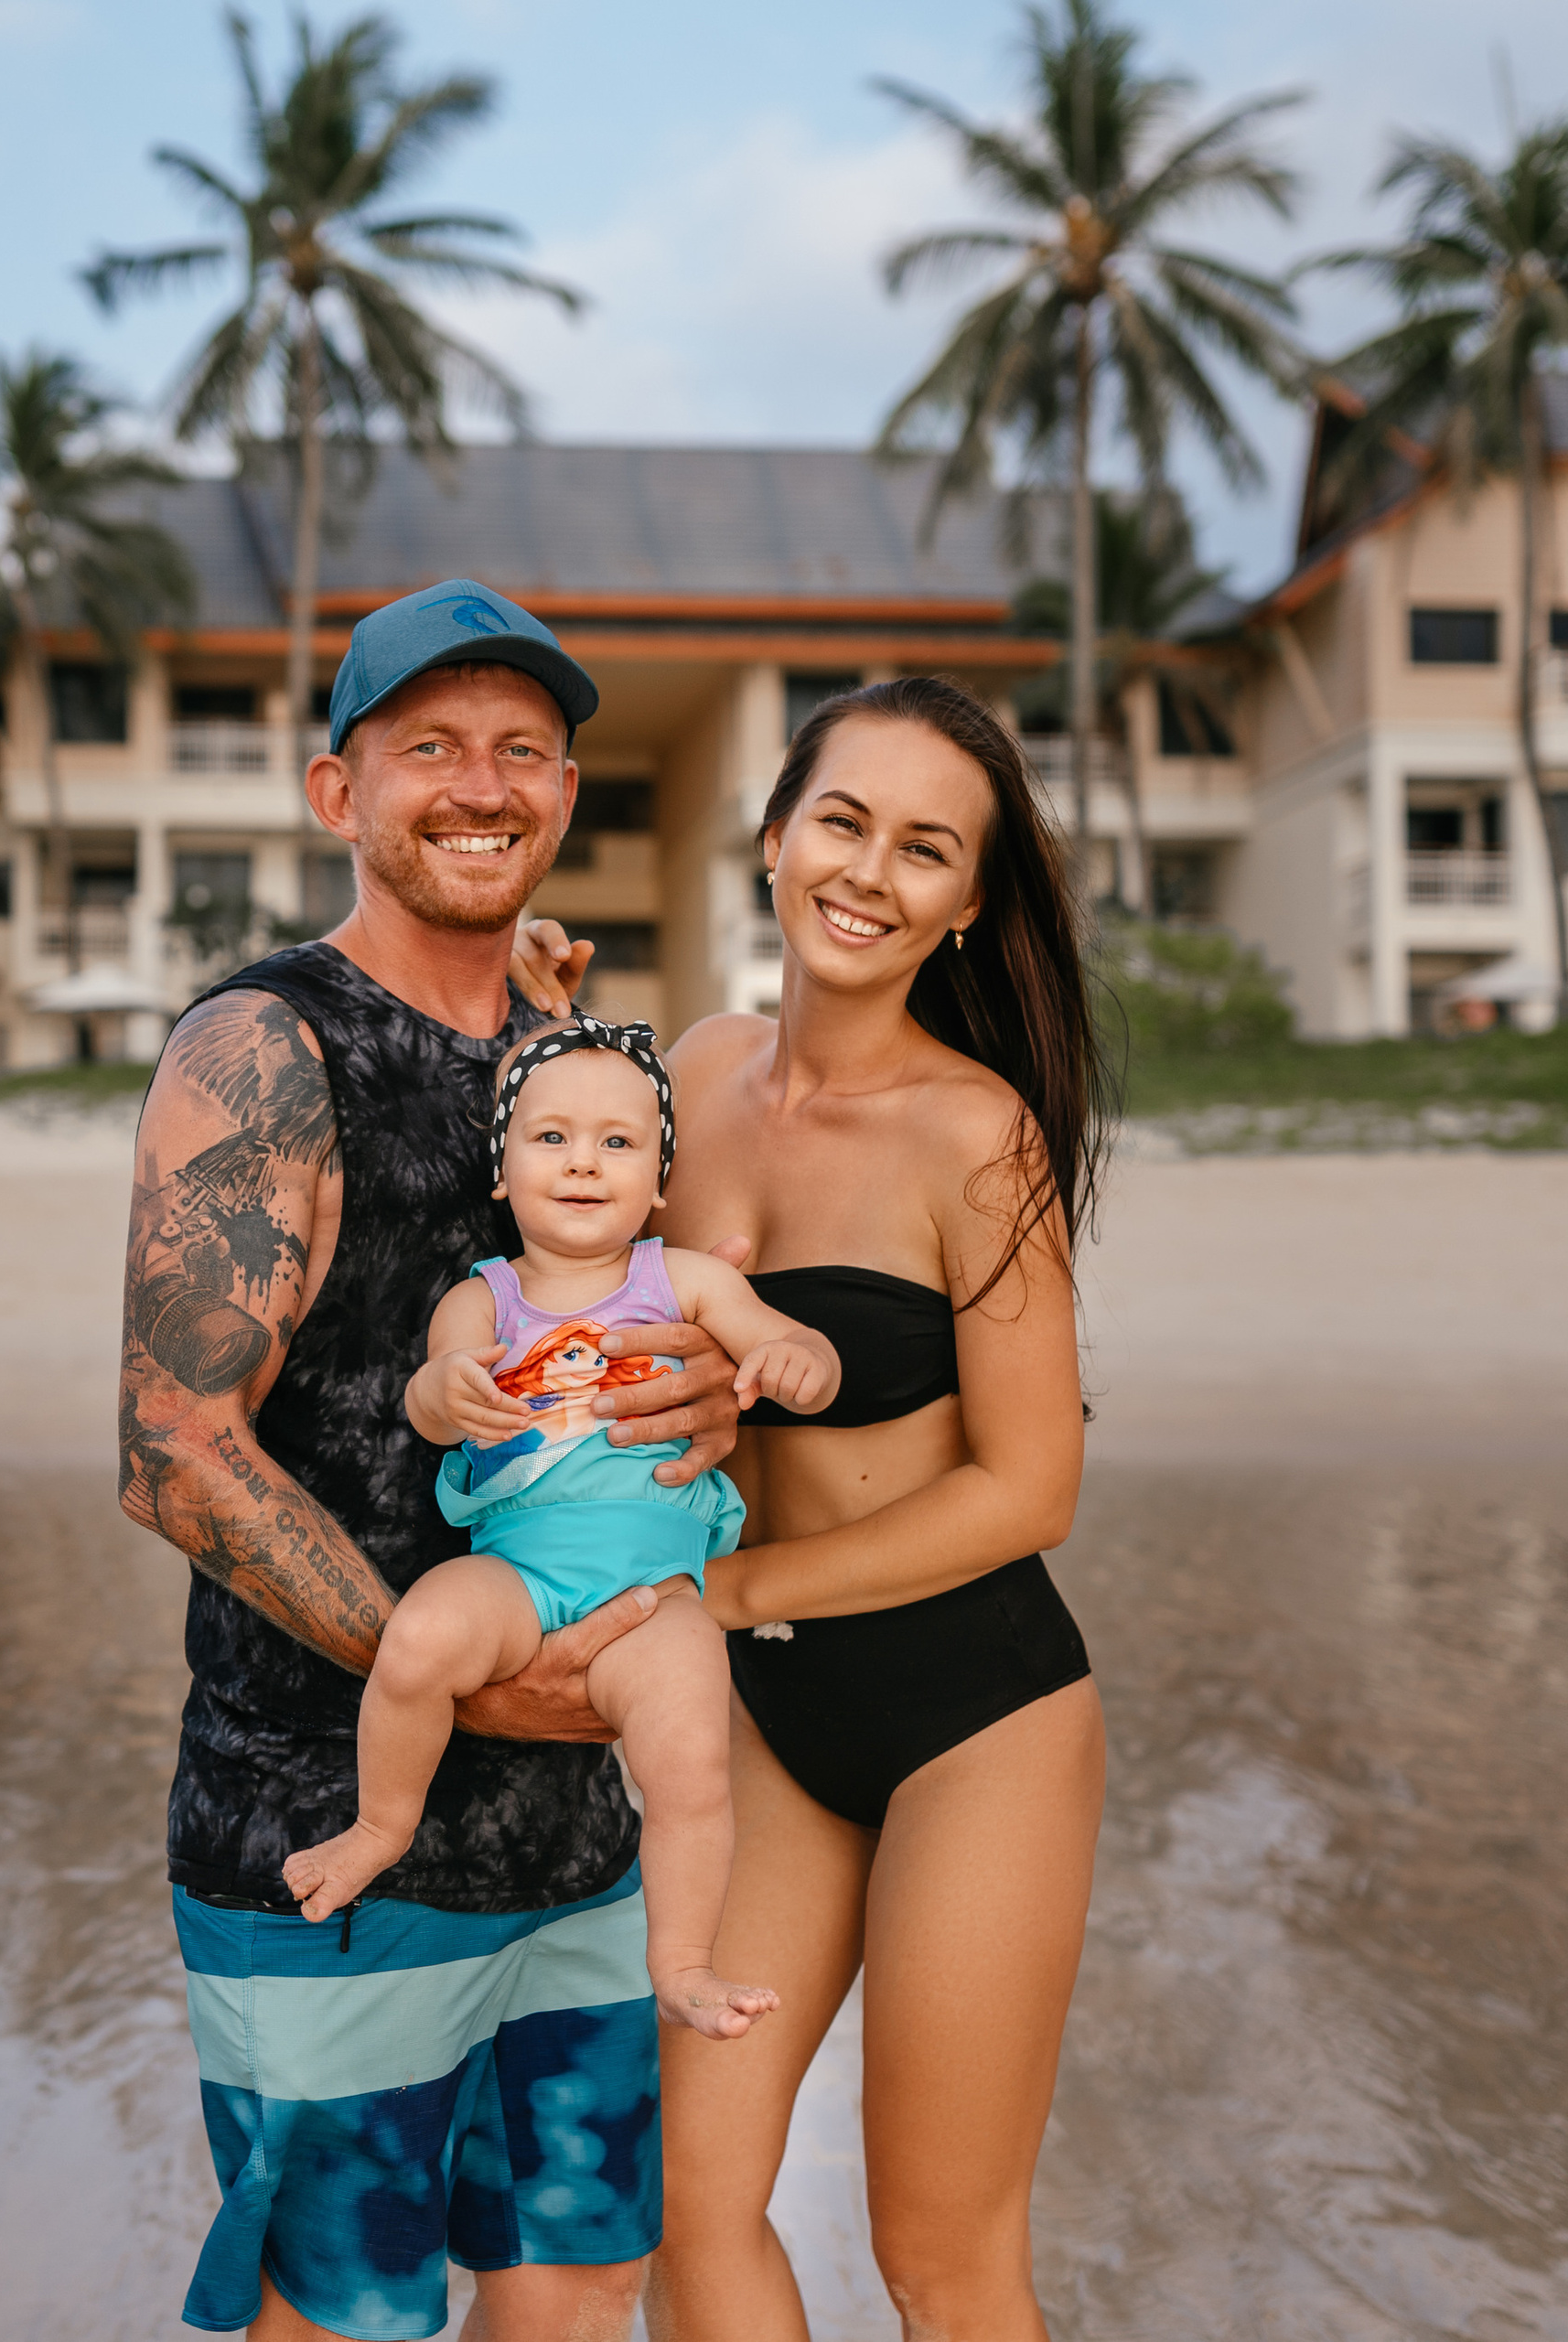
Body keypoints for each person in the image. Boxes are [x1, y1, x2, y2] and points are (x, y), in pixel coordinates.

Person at [119, 579, 747, 2342]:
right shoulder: (262, 1047)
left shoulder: (560, 1074)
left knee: (579, 2283)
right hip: (326, 1831)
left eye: (522, 750)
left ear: (564, 794)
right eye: (429, 750)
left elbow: (625, 1326)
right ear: (341, 795)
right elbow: (173, 1451)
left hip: (578, 1844)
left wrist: (702, 1399)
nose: (481, 785)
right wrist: (470, 1683)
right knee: (345, 2313)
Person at [622, 676, 1112, 2342]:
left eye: (925, 849)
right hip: (772, 1718)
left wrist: (742, 1583)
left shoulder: (977, 1137)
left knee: (942, 2258)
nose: (869, 870)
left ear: (965, 905)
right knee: (690, 2212)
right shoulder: (694, 1070)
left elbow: (1031, 1487)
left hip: (976, 1718)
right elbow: (573, 1218)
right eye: (842, 820)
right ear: (772, 835)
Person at [282, 1018, 840, 2047]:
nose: (584, 1160)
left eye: (618, 1143)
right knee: (416, 1642)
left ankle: (680, 1964)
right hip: (519, 1570)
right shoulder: (482, 1297)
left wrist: (799, 1358)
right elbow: (429, 1395)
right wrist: (451, 1392)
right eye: (552, 1139)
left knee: (689, 1755)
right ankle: (379, 1825)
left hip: (654, 1596)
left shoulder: (684, 1281)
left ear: (659, 1176)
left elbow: (779, 1338)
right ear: (501, 1170)